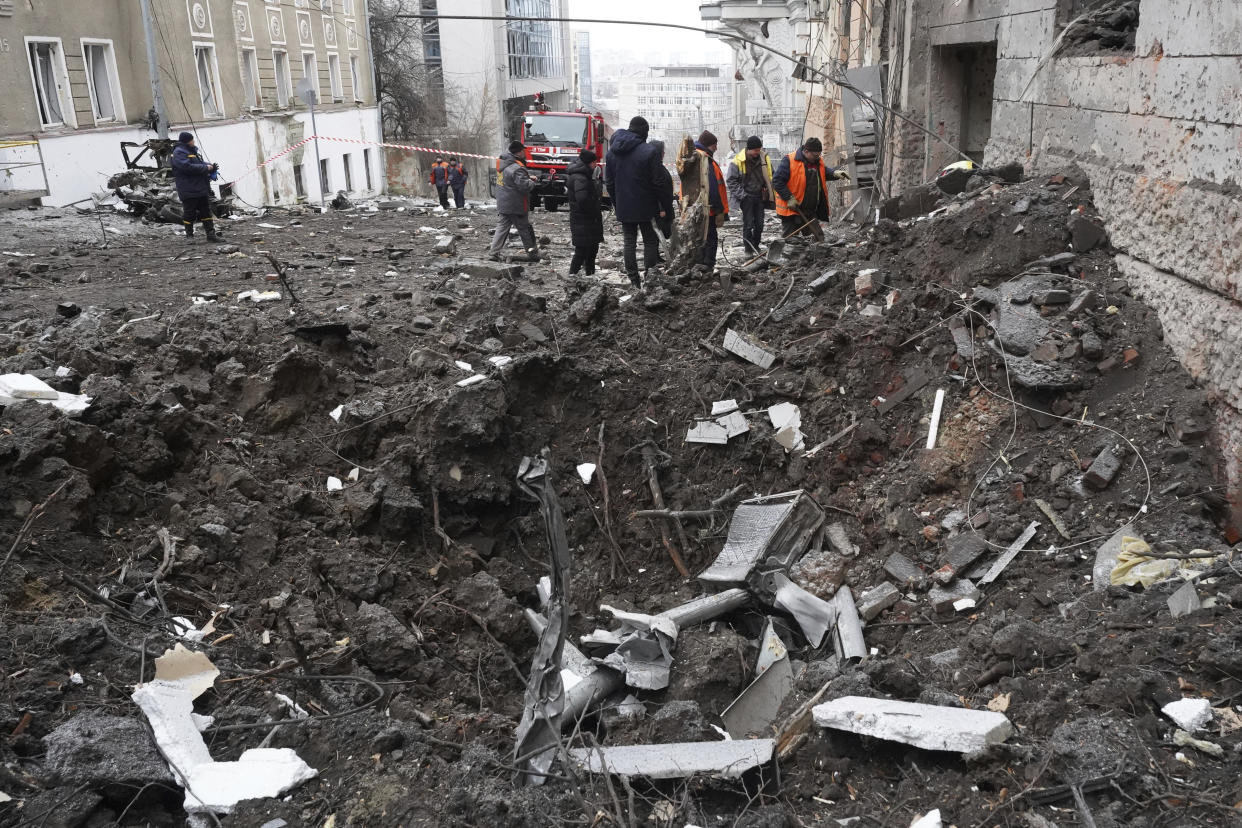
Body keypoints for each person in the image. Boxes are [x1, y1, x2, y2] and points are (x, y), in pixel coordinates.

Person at [605, 115, 664, 289]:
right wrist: (662, 205)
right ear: (644, 132)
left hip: (624, 205)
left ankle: (634, 282)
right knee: (650, 241)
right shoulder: (649, 151)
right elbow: (658, 182)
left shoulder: (612, 153)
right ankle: (650, 279)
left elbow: (609, 182)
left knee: (629, 241)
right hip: (646, 205)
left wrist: (617, 203)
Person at [772, 137, 850, 239]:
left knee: (817, 239)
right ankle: (789, 254)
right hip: (792, 210)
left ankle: (812, 255)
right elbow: (777, 181)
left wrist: (835, 173)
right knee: (790, 241)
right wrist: (789, 197)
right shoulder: (789, 161)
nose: (817, 157)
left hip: (809, 210)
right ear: (806, 151)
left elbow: (824, 172)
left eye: (819, 155)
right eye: (815, 155)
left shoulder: (817, 162)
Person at [489, 140, 539, 262]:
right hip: (516, 204)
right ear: (518, 153)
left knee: (502, 228)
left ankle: (493, 253)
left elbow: (510, 180)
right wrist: (532, 182)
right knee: (525, 229)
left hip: (504, 203)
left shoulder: (503, 164)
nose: (525, 153)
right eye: (523, 150)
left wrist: (526, 177)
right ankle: (532, 254)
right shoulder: (517, 168)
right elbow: (524, 186)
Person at [725, 135, 773, 254]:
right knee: (748, 224)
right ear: (749, 149)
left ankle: (755, 246)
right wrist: (743, 196)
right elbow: (731, 181)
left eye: (759, 149)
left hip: (760, 197)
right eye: (756, 150)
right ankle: (748, 249)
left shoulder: (764, 159)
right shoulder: (738, 161)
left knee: (760, 224)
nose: (758, 152)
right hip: (746, 197)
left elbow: (771, 175)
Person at [170, 131, 220, 242]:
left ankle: (211, 235)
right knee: (189, 213)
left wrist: (210, 166)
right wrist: (206, 168)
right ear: (187, 141)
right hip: (188, 189)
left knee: (206, 212)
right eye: (192, 140)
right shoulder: (179, 152)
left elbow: (198, 163)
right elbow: (187, 167)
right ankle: (189, 236)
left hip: (200, 188)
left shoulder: (190, 151)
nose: (194, 141)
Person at [692, 130, 728, 270]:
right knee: (710, 240)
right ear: (707, 145)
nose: (716, 148)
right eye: (714, 145)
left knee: (700, 239)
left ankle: (699, 265)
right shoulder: (705, 160)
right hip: (709, 210)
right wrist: (719, 210)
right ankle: (707, 267)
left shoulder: (693, 157)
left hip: (695, 208)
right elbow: (712, 187)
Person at [566, 149, 603, 276]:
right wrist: (593, 208)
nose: (596, 165)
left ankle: (589, 275)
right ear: (588, 163)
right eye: (594, 163)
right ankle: (572, 275)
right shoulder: (581, 178)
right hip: (583, 219)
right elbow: (582, 199)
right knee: (582, 250)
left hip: (586, 219)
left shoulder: (584, 175)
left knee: (592, 248)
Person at [650, 140, 675, 242]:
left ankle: (656, 256)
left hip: (663, 207)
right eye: (662, 151)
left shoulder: (656, 166)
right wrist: (661, 209)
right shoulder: (656, 169)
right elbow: (657, 189)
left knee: (658, 235)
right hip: (660, 209)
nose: (664, 153)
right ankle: (654, 257)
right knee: (658, 234)